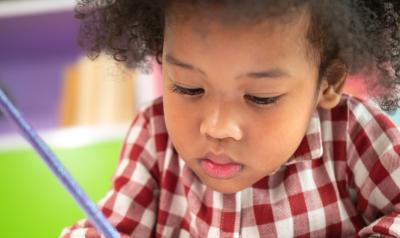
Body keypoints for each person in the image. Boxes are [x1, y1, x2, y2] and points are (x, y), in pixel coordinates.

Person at [61, 0, 400, 237]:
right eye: (188, 88)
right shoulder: (154, 135)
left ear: (329, 82)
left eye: (260, 97)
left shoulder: (354, 134)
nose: (217, 127)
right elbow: (108, 226)